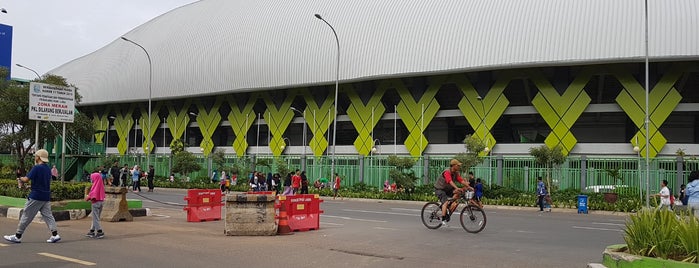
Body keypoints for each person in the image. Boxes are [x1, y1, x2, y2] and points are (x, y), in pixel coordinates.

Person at [4, 149, 61, 243]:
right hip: (45, 196)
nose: (35, 157)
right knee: (48, 216)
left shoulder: (36, 168)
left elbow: (26, 179)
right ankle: (55, 235)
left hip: (35, 196)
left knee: (26, 215)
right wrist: (31, 186)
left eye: (36, 156)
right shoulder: (48, 169)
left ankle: (18, 236)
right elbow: (43, 183)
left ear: (38, 157)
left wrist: (19, 178)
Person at [433, 159, 470, 226]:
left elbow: (461, 180)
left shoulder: (456, 173)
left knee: (458, 193)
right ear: (453, 166)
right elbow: (450, 181)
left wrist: (469, 187)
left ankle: (449, 206)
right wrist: (457, 188)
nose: (459, 167)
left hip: (447, 189)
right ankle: (443, 219)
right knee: (445, 202)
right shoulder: (447, 172)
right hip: (439, 189)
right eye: (458, 165)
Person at [86, 167, 106, 239]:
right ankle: (92, 231)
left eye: (92, 178)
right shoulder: (100, 185)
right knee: (96, 217)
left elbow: (93, 195)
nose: (92, 180)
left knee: (95, 218)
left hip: (95, 202)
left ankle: (100, 232)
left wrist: (87, 197)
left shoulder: (95, 186)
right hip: (101, 202)